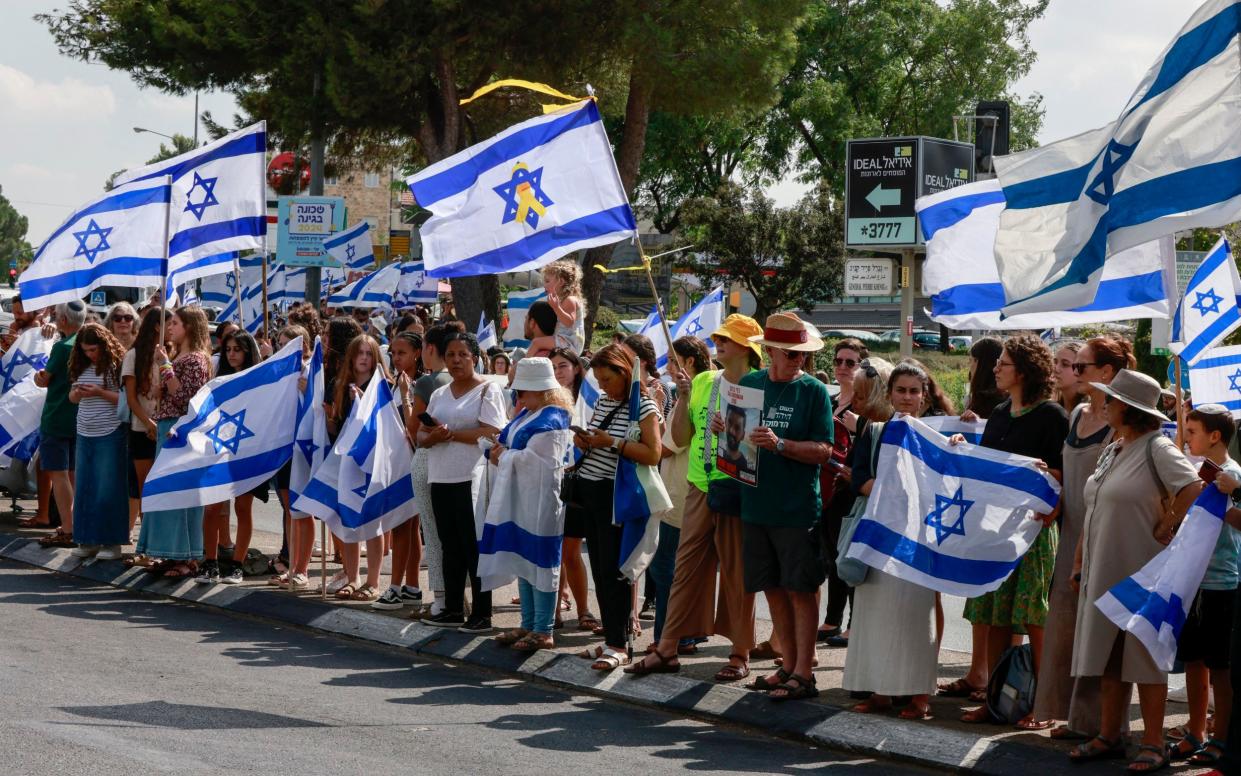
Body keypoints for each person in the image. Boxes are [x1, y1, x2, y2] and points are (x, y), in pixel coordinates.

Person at [1066, 369, 1203, 771]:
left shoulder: (1156, 448)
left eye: (1110, 399)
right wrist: (1078, 561)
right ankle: (1110, 734)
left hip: (1142, 571)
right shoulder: (1115, 446)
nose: (1104, 404)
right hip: (1103, 566)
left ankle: (1154, 743)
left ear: (1127, 407)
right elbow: (1094, 507)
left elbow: (1193, 487)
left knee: (1144, 655)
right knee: (1109, 655)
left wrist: (1168, 522)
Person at [626, 315, 763, 680]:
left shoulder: (758, 384)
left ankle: (739, 653)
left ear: (747, 349)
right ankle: (668, 647)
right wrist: (684, 397)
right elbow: (683, 436)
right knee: (683, 569)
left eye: (728, 339)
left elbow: (754, 443)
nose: (719, 343)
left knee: (736, 572)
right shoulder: (703, 381)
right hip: (699, 485)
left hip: (738, 485)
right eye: (719, 337)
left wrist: (732, 429)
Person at [960, 333, 1069, 725]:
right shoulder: (1002, 412)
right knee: (993, 614)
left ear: (1023, 371)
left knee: (1033, 618)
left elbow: (1065, 475)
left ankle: (1043, 704)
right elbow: (989, 465)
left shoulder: (1052, 416)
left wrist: (1045, 474)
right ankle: (995, 701)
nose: (995, 368)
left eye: (1002, 363)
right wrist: (962, 448)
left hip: (1034, 532)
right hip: (996, 531)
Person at [1028, 336, 1133, 738]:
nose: (1073, 372)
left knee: (1099, 632)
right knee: (1068, 628)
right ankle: (1074, 717)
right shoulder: (1075, 416)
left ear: (1106, 373)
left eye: (1081, 366)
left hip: (1101, 536)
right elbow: (1070, 477)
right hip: (1068, 532)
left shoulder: (1119, 424)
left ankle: (1102, 726)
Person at [734, 312, 832, 701]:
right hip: (756, 505)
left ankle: (804, 673)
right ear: (770, 351)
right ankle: (787, 665)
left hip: (796, 509)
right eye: (792, 355)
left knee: (801, 590)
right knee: (772, 588)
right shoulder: (751, 383)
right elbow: (737, 441)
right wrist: (729, 430)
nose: (799, 361)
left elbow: (825, 451)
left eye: (802, 355)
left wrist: (780, 444)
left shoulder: (813, 392)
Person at [845, 361, 939, 720]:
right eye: (901, 390)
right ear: (890, 392)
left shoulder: (936, 435)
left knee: (916, 616)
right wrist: (895, 495)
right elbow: (859, 479)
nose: (907, 397)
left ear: (923, 396)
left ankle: (919, 696)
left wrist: (960, 438)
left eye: (914, 391)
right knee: (875, 615)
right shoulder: (874, 431)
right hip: (877, 534)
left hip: (917, 539)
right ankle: (880, 692)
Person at [571, 343, 662, 671]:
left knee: (616, 572)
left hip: (616, 497)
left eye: (608, 379)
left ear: (625, 373)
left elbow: (653, 453)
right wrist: (585, 441)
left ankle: (619, 644)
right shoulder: (606, 401)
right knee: (600, 569)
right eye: (599, 379)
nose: (603, 385)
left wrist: (611, 442)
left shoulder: (645, 406)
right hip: (591, 493)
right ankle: (612, 637)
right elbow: (603, 440)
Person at [1163, 405, 1241, 766]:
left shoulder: (1232, 474)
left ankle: (1221, 736)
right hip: (1191, 578)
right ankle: (1196, 730)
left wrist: (1229, 494)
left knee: (1220, 665)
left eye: (1192, 431)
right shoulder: (1194, 471)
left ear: (1214, 436)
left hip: (1221, 582)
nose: (1186, 438)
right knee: (1194, 659)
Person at [481, 357, 575, 651]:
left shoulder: (553, 418)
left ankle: (544, 629)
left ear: (539, 389)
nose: (517, 396)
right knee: (524, 560)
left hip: (542, 503)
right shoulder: (531, 414)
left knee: (542, 562)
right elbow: (513, 446)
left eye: (522, 391)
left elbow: (541, 465)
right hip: (522, 500)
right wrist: (496, 450)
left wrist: (502, 455)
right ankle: (528, 624)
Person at [418, 331, 506, 632]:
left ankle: (482, 612)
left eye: (463, 355)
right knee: (449, 546)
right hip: (440, 476)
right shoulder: (440, 394)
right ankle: (453, 608)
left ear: (474, 358)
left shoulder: (487, 390)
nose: (456, 360)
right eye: (451, 355)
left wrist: (452, 435)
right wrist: (432, 437)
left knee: (474, 546)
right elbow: (420, 433)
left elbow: (492, 431)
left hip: (473, 480)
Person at [645, 337, 712, 655]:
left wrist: (646, 427)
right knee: (671, 571)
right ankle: (677, 635)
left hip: (682, 495)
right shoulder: (692, 391)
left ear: (689, 362)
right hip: (676, 491)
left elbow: (670, 445)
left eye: (673, 361)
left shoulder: (697, 391)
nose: (668, 368)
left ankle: (671, 638)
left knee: (666, 571)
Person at [135, 306, 212, 578]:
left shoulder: (196, 360)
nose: (170, 327)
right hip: (168, 427)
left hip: (181, 431)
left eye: (176, 323)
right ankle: (170, 553)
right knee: (166, 492)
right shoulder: (182, 356)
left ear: (189, 326)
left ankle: (186, 556)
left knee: (180, 492)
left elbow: (187, 399)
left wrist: (166, 366)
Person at [196, 331, 268, 585]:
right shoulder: (218, 381)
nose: (232, 354)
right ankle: (209, 562)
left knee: (242, 507)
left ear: (247, 351)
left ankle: (237, 564)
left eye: (237, 349)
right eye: (228, 349)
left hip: (247, 450)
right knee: (213, 506)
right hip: (219, 449)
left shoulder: (258, 380)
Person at [819, 340, 875, 647]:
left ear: (862, 367)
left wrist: (858, 427)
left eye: (850, 363)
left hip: (852, 489)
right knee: (831, 555)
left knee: (849, 556)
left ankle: (855, 624)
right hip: (828, 487)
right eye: (838, 361)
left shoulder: (865, 407)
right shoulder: (831, 401)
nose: (842, 367)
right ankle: (832, 619)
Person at [329, 334, 392, 601]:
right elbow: (336, 426)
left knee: (373, 523)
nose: (364, 358)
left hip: (374, 461)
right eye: (359, 353)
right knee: (349, 520)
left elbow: (389, 424)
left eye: (369, 353)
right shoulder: (342, 386)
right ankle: (352, 576)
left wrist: (366, 402)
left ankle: (373, 581)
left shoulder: (383, 386)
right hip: (348, 461)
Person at [407, 321, 463, 618]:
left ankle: (442, 597)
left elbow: (413, 427)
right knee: (458, 533)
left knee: (434, 531)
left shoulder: (427, 383)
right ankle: (457, 596)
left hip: (430, 459)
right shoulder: (463, 383)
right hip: (459, 463)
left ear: (429, 349)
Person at [372, 331, 425, 611]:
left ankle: (396, 586)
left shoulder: (417, 385)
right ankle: (411, 587)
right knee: (406, 527)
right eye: (392, 352)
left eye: (401, 352)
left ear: (417, 353)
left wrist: (406, 395)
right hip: (396, 464)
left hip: (412, 463)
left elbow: (412, 431)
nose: (395, 357)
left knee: (405, 526)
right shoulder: (395, 384)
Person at [66, 323, 128, 560]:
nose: (90, 354)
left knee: (108, 489)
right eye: (85, 350)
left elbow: (124, 400)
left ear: (104, 345)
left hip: (110, 431)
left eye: (93, 349)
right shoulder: (81, 364)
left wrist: (99, 392)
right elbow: (72, 397)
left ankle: (111, 543)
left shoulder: (115, 365)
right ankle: (87, 539)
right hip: (84, 430)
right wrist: (79, 393)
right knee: (85, 487)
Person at [549, 346, 596, 630]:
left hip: (579, 482)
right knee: (552, 551)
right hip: (550, 481)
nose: (558, 372)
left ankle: (583, 611)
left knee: (570, 551)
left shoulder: (589, 398)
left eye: (563, 365)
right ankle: (551, 611)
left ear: (577, 367)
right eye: (552, 367)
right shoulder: (544, 399)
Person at [34, 300, 85, 548]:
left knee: (58, 473)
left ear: (63, 320)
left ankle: (68, 528)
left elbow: (45, 380)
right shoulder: (88, 342)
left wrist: (37, 375)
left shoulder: (63, 347)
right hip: (80, 417)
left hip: (57, 415)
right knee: (73, 474)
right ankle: (73, 524)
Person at [270, 325, 315, 591]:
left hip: (304, 447)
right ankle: (292, 564)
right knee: (290, 509)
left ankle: (302, 568)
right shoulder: (278, 373)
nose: (284, 348)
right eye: (281, 343)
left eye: (290, 344)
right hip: (283, 446)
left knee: (301, 509)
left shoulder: (311, 370)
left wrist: (309, 389)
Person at [120, 308, 168, 551]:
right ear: (157, 327)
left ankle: (159, 540)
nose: (171, 329)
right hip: (141, 428)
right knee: (144, 486)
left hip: (167, 427)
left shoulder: (169, 354)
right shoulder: (134, 355)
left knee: (161, 486)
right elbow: (131, 398)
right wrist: (149, 424)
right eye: (168, 324)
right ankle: (146, 542)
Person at [527, 259, 584, 355]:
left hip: (569, 342)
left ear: (561, 282)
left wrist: (556, 307)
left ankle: (524, 367)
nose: (544, 285)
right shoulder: (563, 300)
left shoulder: (569, 300)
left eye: (547, 281)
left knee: (536, 343)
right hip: (564, 341)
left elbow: (569, 322)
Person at [1053, 340, 1085, 412]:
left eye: (1065, 364)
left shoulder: (1087, 413)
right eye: (1055, 362)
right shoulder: (1051, 409)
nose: (1056, 369)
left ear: (1080, 369)